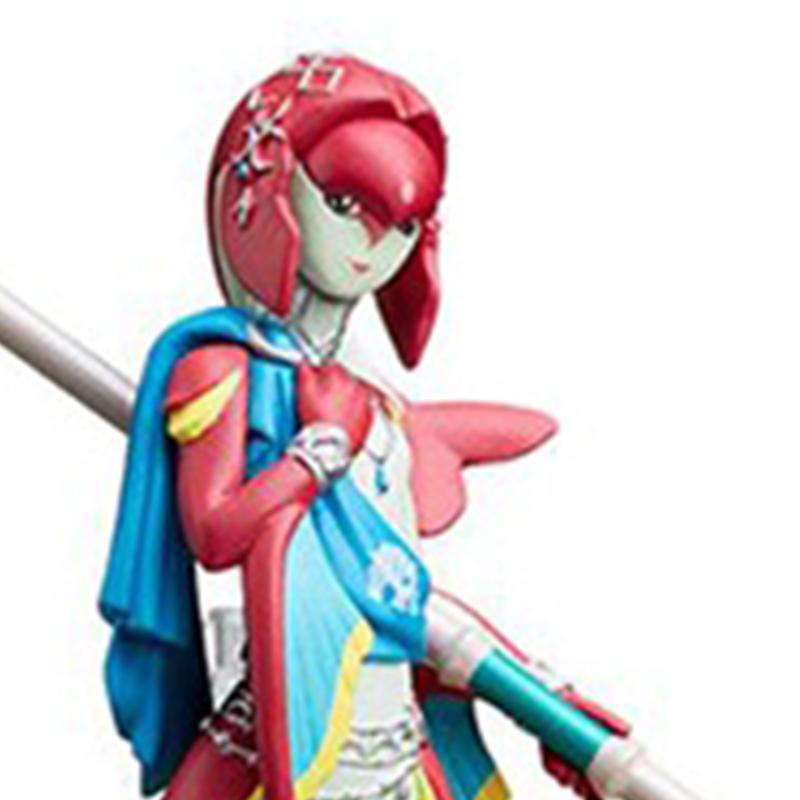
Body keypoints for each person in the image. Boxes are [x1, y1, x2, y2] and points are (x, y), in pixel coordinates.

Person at [100, 54, 627, 800]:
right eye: (346, 204)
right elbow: (214, 535)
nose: (374, 243)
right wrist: (313, 459)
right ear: (276, 190)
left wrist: (544, 698)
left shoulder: (375, 409)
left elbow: (403, 591)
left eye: (404, 224)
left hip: (395, 743)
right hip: (284, 731)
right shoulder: (222, 371)